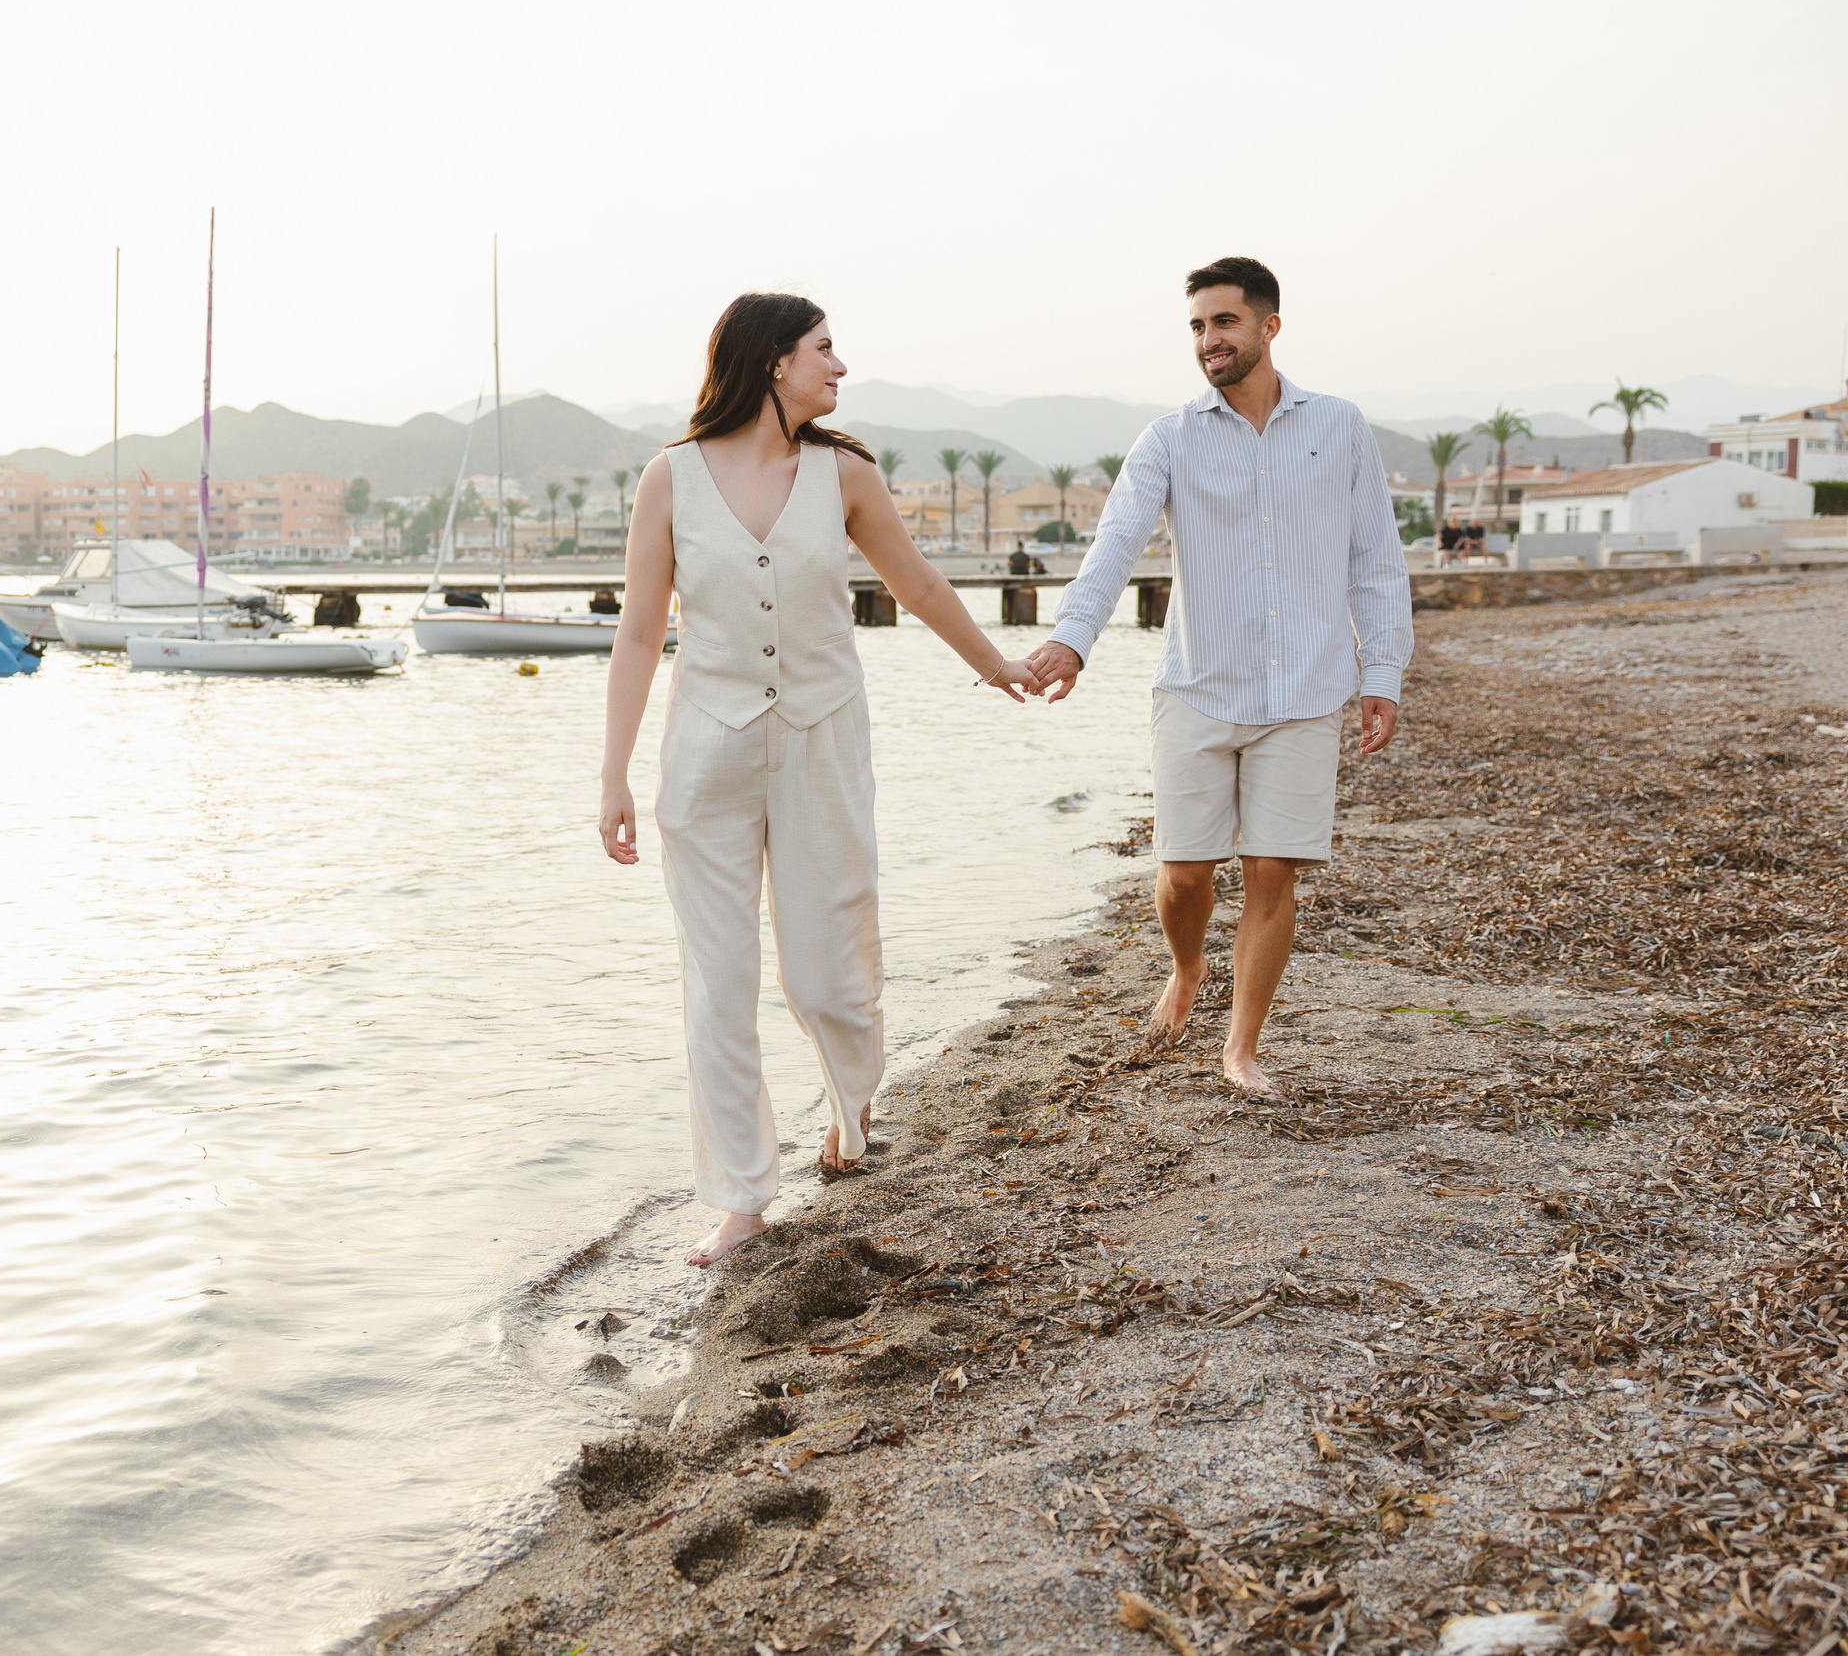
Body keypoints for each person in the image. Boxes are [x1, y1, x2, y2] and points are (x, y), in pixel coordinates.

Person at [600, 294, 1041, 1266]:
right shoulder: (668, 479)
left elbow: (917, 586)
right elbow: (638, 633)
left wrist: (993, 664)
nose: (838, 368)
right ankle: (742, 1200)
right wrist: (613, 776)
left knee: (825, 969)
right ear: (770, 364)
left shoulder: (842, 474)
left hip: (820, 740)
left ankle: (851, 1103)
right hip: (704, 758)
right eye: (823, 350)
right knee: (716, 986)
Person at [1023, 256, 1411, 1102]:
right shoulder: (1168, 439)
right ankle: (1189, 964)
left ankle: (1241, 1046)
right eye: (1198, 326)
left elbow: (1376, 561)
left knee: (1273, 871)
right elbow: (1117, 542)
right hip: (1198, 686)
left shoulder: (1339, 427)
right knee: (1186, 872)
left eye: (1224, 323)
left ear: (1269, 326)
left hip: (1308, 691)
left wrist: (1382, 671)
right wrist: (1072, 640)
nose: (1209, 341)